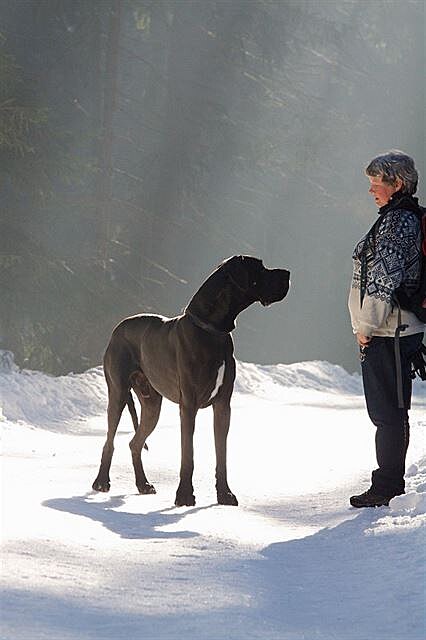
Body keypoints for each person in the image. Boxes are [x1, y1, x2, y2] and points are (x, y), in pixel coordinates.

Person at [348, 150, 425, 508]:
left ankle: (387, 487)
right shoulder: (398, 218)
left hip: (389, 334)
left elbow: (382, 279)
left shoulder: (397, 223)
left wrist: (366, 326)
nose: (371, 190)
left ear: (397, 184)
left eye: (375, 182)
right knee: (391, 412)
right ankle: (389, 483)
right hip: (393, 331)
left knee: (388, 414)